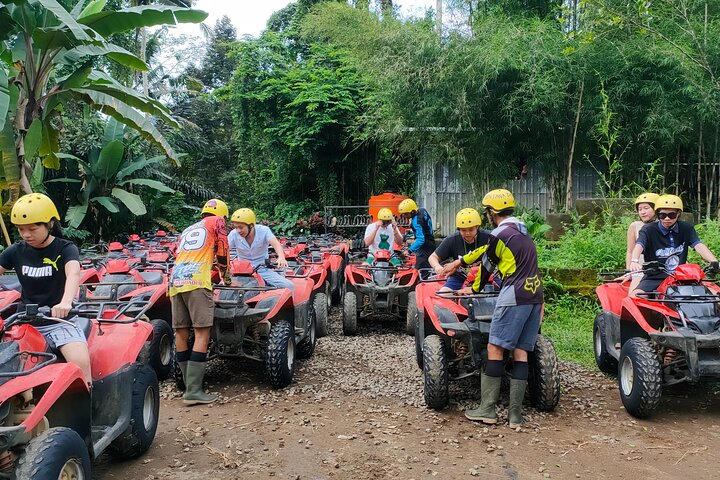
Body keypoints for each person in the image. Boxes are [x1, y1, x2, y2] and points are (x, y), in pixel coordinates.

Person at [442, 189, 543, 427]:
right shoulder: (521, 230)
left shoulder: (498, 234)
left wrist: (474, 289)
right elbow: (488, 251)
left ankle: (487, 409)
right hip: (535, 293)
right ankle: (515, 415)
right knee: (520, 351)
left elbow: (487, 264)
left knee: (495, 347)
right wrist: (461, 261)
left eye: (487, 211)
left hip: (514, 294)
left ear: (491, 213)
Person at [0, 193, 91, 385]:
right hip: (23, 321)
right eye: (21, 229)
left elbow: (73, 274)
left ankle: (88, 404)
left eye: (32, 229)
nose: (26, 234)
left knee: (80, 362)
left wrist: (65, 302)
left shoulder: (65, 249)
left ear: (49, 224)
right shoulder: (16, 250)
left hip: (58, 320)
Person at [170, 199, 229, 405]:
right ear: (222, 214)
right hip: (196, 280)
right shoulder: (218, 223)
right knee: (202, 332)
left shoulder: (188, 229)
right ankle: (194, 390)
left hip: (176, 281)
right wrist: (226, 277)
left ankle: (188, 386)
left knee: (181, 332)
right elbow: (222, 253)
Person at [629, 194, 719, 293]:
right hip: (655, 276)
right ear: (657, 214)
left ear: (678, 214)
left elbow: (698, 245)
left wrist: (714, 262)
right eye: (662, 215)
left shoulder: (686, 228)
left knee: (713, 294)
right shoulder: (648, 229)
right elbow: (639, 244)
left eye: (671, 215)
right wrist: (634, 260)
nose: (667, 219)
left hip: (681, 276)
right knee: (636, 296)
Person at [228, 208, 294, 291]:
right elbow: (224, 249)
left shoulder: (264, 231)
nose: (238, 231)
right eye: (236, 227)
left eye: (241, 227)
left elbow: (276, 244)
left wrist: (281, 257)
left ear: (251, 225)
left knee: (289, 285)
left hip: (262, 269)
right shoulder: (233, 234)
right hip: (241, 272)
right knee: (221, 290)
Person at [429, 208, 490, 291]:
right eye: (463, 230)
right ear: (458, 229)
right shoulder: (452, 239)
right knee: (444, 293)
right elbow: (433, 257)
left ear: (478, 227)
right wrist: (437, 267)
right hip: (460, 276)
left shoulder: (489, 238)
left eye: (471, 229)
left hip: (486, 275)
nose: (467, 233)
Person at [625, 193, 658, 291]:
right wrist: (629, 271)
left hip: (661, 269)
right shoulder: (635, 226)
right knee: (633, 296)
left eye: (646, 208)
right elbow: (630, 251)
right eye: (640, 209)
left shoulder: (664, 225)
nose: (643, 212)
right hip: (640, 269)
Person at [398, 198, 435, 278]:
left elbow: (421, 239)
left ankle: (423, 286)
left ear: (412, 212)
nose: (404, 216)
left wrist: (409, 250)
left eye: (405, 214)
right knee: (428, 267)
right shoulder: (422, 210)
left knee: (422, 270)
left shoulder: (416, 222)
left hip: (425, 247)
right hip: (431, 241)